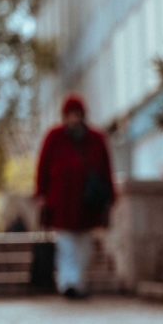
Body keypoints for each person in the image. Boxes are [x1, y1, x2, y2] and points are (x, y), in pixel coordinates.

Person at [35, 95, 116, 300]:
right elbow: (43, 167)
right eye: (70, 114)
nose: (73, 118)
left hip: (87, 203)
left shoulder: (96, 139)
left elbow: (106, 169)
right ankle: (68, 282)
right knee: (66, 244)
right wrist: (41, 193)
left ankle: (78, 282)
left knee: (85, 245)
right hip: (62, 202)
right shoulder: (54, 137)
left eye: (77, 114)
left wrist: (110, 195)